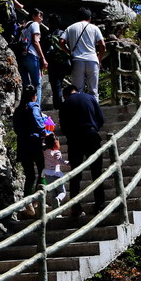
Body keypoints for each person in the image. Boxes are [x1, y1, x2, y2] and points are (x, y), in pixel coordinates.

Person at [58, 84, 105, 218]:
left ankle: (76, 207)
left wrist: (71, 136)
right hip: (91, 136)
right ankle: (100, 205)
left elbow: (64, 127)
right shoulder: (90, 98)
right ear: (77, 91)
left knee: (75, 175)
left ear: (66, 95)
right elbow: (101, 119)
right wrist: (93, 129)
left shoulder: (65, 104)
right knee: (97, 172)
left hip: (74, 140)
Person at [12, 85, 48, 216]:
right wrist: (44, 132)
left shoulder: (18, 110)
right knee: (42, 170)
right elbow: (37, 121)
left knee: (30, 175)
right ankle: (38, 200)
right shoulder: (33, 107)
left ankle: (28, 201)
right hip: (35, 143)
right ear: (34, 95)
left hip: (22, 144)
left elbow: (16, 129)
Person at [61, 7, 106, 100]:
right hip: (92, 60)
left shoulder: (71, 28)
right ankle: (94, 112)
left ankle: (79, 112)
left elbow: (61, 42)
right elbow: (102, 45)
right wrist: (99, 58)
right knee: (93, 91)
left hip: (77, 60)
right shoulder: (94, 28)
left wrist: (69, 51)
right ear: (89, 18)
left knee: (77, 90)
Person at [16, 9, 47, 103]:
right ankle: (36, 108)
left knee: (26, 85)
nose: (41, 18)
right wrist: (43, 59)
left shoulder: (24, 26)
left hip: (21, 57)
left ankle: (26, 106)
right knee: (37, 84)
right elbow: (35, 41)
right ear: (33, 16)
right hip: (32, 56)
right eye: (40, 16)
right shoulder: (35, 24)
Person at [44, 15, 70, 108]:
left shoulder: (47, 35)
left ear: (50, 23)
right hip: (64, 62)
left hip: (53, 64)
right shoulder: (62, 33)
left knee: (56, 87)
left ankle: (58, 107)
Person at [41, 133, 69, 203]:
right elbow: (59, 161)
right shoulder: (57, 152)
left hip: (47, 175)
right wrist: (68, 163)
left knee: (53, 194)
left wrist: (46, 137)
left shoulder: (44, 151)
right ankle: (58, 199)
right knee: (62, 192)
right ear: (55, 143)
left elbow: (44, 143)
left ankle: (56, 211)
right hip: (56, 174)